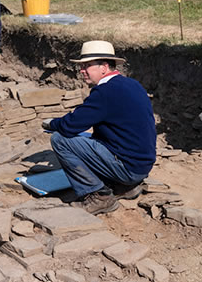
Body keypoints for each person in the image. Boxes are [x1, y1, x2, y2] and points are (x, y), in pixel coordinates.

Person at [42, 41, 156, 215]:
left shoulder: (104, 92)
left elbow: (70, 126)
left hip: (127, 167)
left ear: (104, 67)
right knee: (86, 137)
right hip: (141, 164)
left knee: (60, 139)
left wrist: (52, 124)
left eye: (87, 66)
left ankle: (99, 196)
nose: (82, 70)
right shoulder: (132, 84)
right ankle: (125, 186)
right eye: (81, 66)